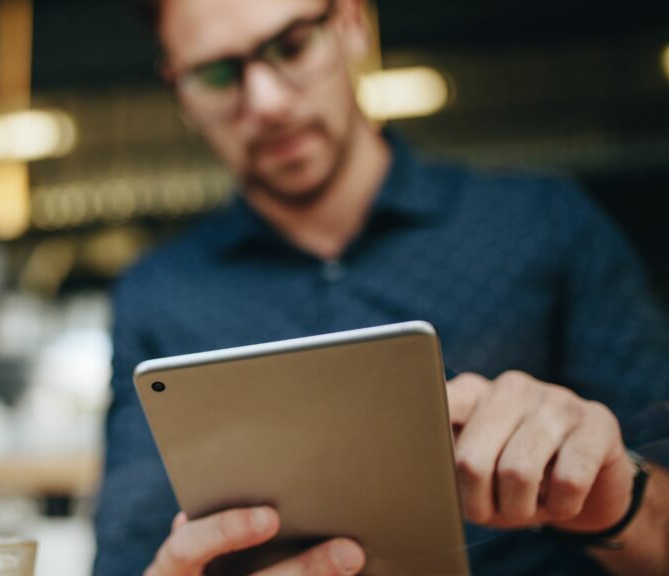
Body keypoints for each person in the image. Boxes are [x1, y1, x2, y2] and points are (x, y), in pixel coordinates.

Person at [93, 0, 669, 574]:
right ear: (177, 91)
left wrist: (620, 503)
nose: (266, 103)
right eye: (216, 75)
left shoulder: (546, 223)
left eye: (291, 46)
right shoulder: (159, 294)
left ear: (351, 25)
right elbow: (126, 558)